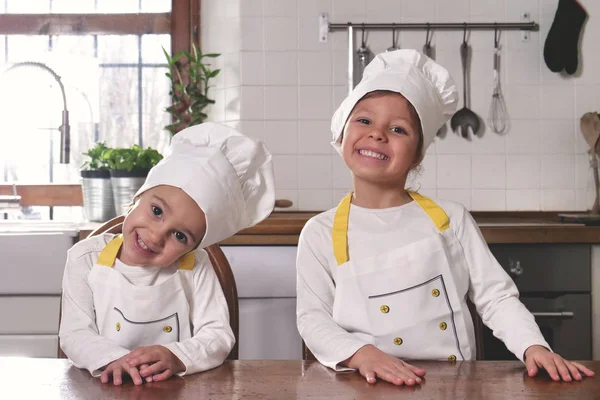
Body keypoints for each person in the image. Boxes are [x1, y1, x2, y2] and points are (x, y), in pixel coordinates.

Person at [296, 49, 594, 386]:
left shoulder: (450, 219)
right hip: (363, 386)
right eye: (363, 120)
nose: (377, 134)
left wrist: (533, 345)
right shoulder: (319, 233)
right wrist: (361, 353)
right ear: (342, 130)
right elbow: (313, 320)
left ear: (418, 154)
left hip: (452, 386)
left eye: (398, 129)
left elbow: (495, 298)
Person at [60, 122, 275, 385]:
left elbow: (217, 334)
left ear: (193, 248)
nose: (155, 236)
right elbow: (75, 333)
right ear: (137, 197)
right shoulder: (85, 258)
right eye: (157, 211)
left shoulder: (196, 266)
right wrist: (113, 359)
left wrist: (177, 355)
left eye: (180, 236)